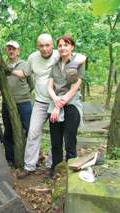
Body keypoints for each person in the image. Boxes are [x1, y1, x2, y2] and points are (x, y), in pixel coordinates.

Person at [9, 33, 86, 178]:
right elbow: (24, 73)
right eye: (41, 45)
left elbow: (80, 57)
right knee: (33, 132)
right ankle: (29, 166)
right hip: (41, 101)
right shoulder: (33, 58)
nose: (44, 49)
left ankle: (53, 165)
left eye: (47, 45)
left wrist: (59, 102)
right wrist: (9, 69)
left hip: (59, 103)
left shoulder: (59, 53)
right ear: (37, 46)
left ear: (52, 45)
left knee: (59, 136)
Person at [47, 35, 84, 177]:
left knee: (70, 140)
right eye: (60, 45)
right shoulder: (55, 64)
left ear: (72, 47)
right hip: (55, 102)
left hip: (71, 103)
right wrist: (56, 101)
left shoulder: (78, 63)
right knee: (55, 140)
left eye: (66, 45)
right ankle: (55, 169)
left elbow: (74, 88)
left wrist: (59, 105)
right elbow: (50, 86)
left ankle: (71, 172)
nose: (62, 48)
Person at [0, 40, 33, 166]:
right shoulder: (1, 67)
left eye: (14, 48)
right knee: (8, 131)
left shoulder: (25, 64)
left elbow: (30, 83)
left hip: (24, 103)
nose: (11, 51)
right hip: (7, 103)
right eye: (9, 48)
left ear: (19, 51)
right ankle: (9, 158)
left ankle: (29, 159)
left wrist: (23, 94)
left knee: (29, 129)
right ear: (6, 51)